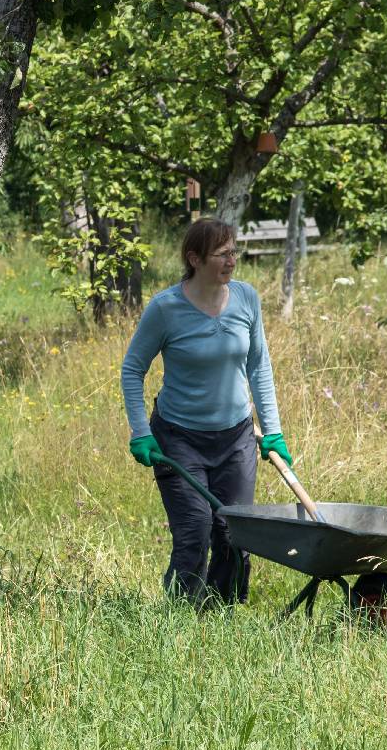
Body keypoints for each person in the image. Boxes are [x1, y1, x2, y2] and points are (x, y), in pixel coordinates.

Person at [120, 217, 292, 604]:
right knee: (195, 530)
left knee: (234, 533)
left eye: (234, 251)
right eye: (222, 254)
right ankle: (182, 617)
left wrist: (273, 431)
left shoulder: (247, 298)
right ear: (195, 259)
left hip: (236, 438)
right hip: (178, 439)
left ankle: (222, 616)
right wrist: (140, 432)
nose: (232, 260)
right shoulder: (166, 308)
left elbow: (258, 365)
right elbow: (133, 369)